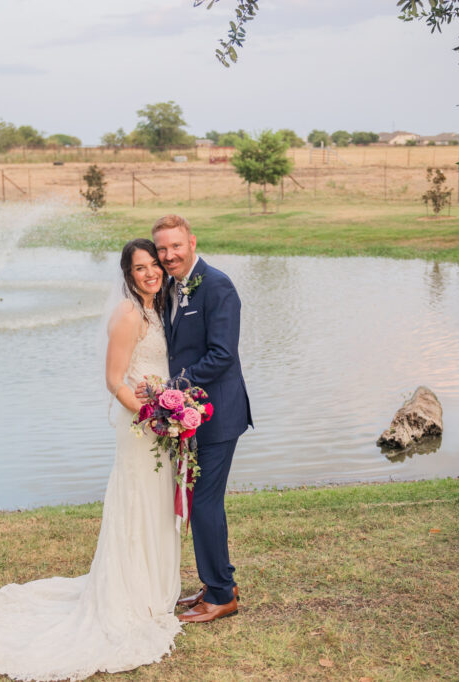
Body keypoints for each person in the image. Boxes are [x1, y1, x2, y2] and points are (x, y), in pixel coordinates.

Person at [0, 239, 181, 681]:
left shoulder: (158, 307)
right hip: (141, 428)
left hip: (160, 426)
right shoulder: (129, 314)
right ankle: (131, 594)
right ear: (127, 276)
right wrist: (153, 415)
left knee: (155, 505)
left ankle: (152, 587)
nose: (151, 272)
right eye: (140, 268)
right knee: (137, 503)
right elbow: (115, 381)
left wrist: (169, 412)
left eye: (154, 264)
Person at [144, 214, 252, 624]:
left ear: (191, 242)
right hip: (190, 414)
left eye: (175, 246)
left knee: (204, 502)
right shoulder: (172, 287)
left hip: (219, 413)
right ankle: (217, 583)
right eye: (162, 249)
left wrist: (174, 385)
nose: (168, 255)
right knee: (199, 500)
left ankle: (222, 595)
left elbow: (222, 355)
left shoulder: (218, 285)